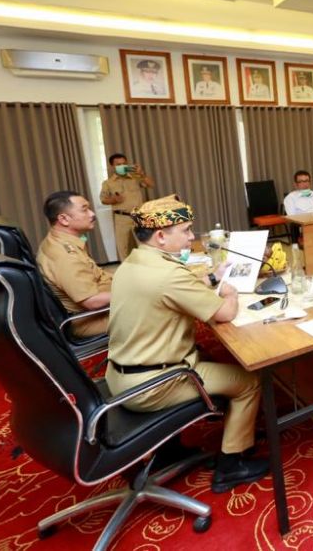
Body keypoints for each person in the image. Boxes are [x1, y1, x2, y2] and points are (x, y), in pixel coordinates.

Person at [105, 195, 267, 493]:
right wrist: (228, 291)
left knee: (209, 354)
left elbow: (172, 289)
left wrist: (209, 277)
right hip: (154, 383)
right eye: (186, 230)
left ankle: (169, 452)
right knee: (248, 381)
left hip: (120, 377)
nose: (192, 237)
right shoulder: (168, 274)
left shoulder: (131, 263)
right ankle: (232, 464)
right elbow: (224, 314)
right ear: (161, 235)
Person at [36, 191, 111, 337]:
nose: (92, 214)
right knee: (159, 308)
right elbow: (92, 301)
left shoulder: (63, 240)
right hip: (89, 320)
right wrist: (132, 291)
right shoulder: (65, 256)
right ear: (64, 219)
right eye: (84, 209)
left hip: (98, 307)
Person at [100, 153, 154, 260]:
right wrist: (114, 200)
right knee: (122, 246)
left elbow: (151, 185)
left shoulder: (135, 178)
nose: (122, 166)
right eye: (118, 164)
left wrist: (141, 174)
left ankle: (148, 266)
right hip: (121, 218)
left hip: (138, 216)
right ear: (112, 166)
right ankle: (125, 269)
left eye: (124, 163)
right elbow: (103, 200)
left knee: (144, 244)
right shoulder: (108, 183)